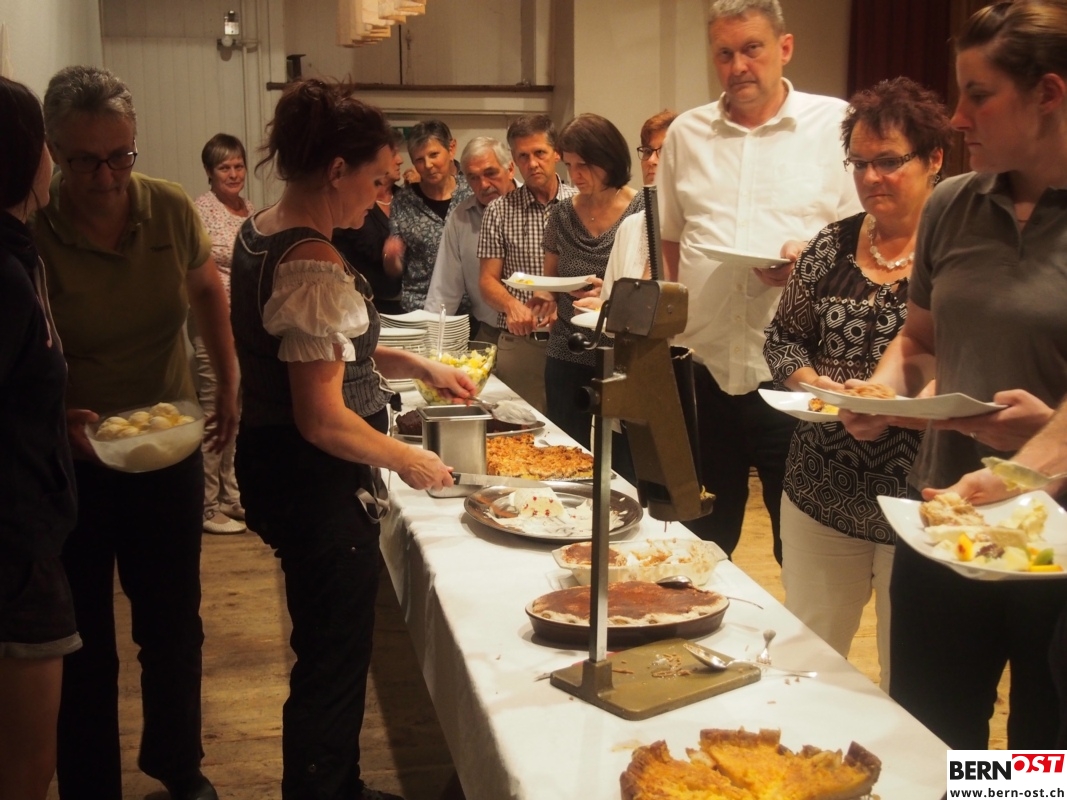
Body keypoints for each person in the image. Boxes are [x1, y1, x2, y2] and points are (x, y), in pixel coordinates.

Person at [229, 79, 475, 800]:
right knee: (331, 657)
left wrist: (419, 365)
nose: (380, 200)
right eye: (377, 182)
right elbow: (321, 416)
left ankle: (335, 782)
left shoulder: (263, 229)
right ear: (337, 170)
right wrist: (410, 459)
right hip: (313, 481)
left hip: (280, 468)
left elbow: (328, 354)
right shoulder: (311, 262)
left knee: (327, 646)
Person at [838, 0, 1067, 748]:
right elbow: (920, 340)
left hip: (1052, 542)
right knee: (929, 732)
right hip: (943, 515)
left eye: (979, 94)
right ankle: (960, 794)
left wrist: (1031, 459)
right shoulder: (952, 204)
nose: (958, 117)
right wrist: (883, 390)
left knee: (1043, 752)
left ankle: (999, 799)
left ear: (1048, 94)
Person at [33, 66, 238, 800]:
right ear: (53, 151)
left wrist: (229, 379)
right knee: (83, 639)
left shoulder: (168, 207)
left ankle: (177, 766)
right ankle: (91, 785)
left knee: (172, 625)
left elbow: (206, 289)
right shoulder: (33, 227)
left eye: (121, 155)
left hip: (164, 448)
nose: (106, 176)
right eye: (85, 160)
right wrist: (50, 418)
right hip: (75, 461)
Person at [657, 0, 863, 564]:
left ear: (784, 48)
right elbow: (671, 238)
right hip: (705, 370)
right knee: (699, 542)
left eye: (752, 49)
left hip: (797, 377)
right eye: (724, 54)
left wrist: (808, 266)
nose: (738, 66)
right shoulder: (687, 133)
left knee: (801, 548)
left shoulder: (835, 125)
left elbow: (863, 243)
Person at [762, 77, 951, 690]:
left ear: (934, 159)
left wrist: (901, 408)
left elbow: (973, 357)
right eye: (860, 163)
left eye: (889, 161)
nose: (872, 177)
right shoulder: (833, 243)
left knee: (913, 677)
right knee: (805, 662)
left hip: (921, 496)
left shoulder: (962, 252)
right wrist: (815, 383)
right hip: (822, 483)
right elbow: (782, 338)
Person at [0, 76, 80, 800]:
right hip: (15, 550)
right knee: (26, 765)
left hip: (25, 532)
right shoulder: (4, 272)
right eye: (50, 148)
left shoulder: (17, 255)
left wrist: (53, 422)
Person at [531, 113, 642, 452]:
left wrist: (608, 294)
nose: (575, 175)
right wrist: (546, 295)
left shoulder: (641, 211)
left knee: (624, 454)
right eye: (569, 165)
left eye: (584, 165)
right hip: (569, 344)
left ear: (609, 160)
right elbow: (550, 279)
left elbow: (652, 284)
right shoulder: (562, 213)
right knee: (565, 448)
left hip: (621, 350)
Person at [478, 114, 577, 412]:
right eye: (523, 156)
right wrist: (512, 306)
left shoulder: (579, 204)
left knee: (574, 430)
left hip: (572, 340)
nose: (532, 163)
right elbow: (487, 280)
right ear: (514, 160)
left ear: (556, 153)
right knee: (520, 428)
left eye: (539, 153)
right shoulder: (498, 211)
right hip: (522, 342)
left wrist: (564, 308)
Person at [194, 133, 253, 535]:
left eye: (238, 166)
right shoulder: (199, 211)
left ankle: (231, 495)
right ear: (210, 172)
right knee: (216, 411)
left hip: (247, 326)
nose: (233, 174)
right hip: (213, 327)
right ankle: (205, 504)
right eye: (224, 167)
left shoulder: (250, 211)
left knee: (238, 413)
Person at [574, 110, 676, 311]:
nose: (651, 160)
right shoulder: (630, 227)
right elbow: (611, 303)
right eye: (647, 151)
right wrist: (600, 309)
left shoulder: (700, 227)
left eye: (664, 151)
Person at [423, 136, 517, 343]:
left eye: (490, 173)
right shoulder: (460, 218)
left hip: (541, 335)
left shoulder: (538, 207)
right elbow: (444, 290)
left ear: (510, 169)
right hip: (490, 333)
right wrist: (430, 346)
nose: (483, 185)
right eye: (473, 178)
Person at [382, 120, 471, 312]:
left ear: (451, 149)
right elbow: (396, 269)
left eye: (433, 155)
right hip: (420, 308)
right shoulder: (404, 200)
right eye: (419, 160)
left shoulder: (470, 194)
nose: (428, 165)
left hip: (469, 308)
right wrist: (391, 258)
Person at [333, 131, 405, 316]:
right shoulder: (353, 204)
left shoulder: (405, 196)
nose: (400, 160)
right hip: (361, 305)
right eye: (394, 154)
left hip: (403, 303)